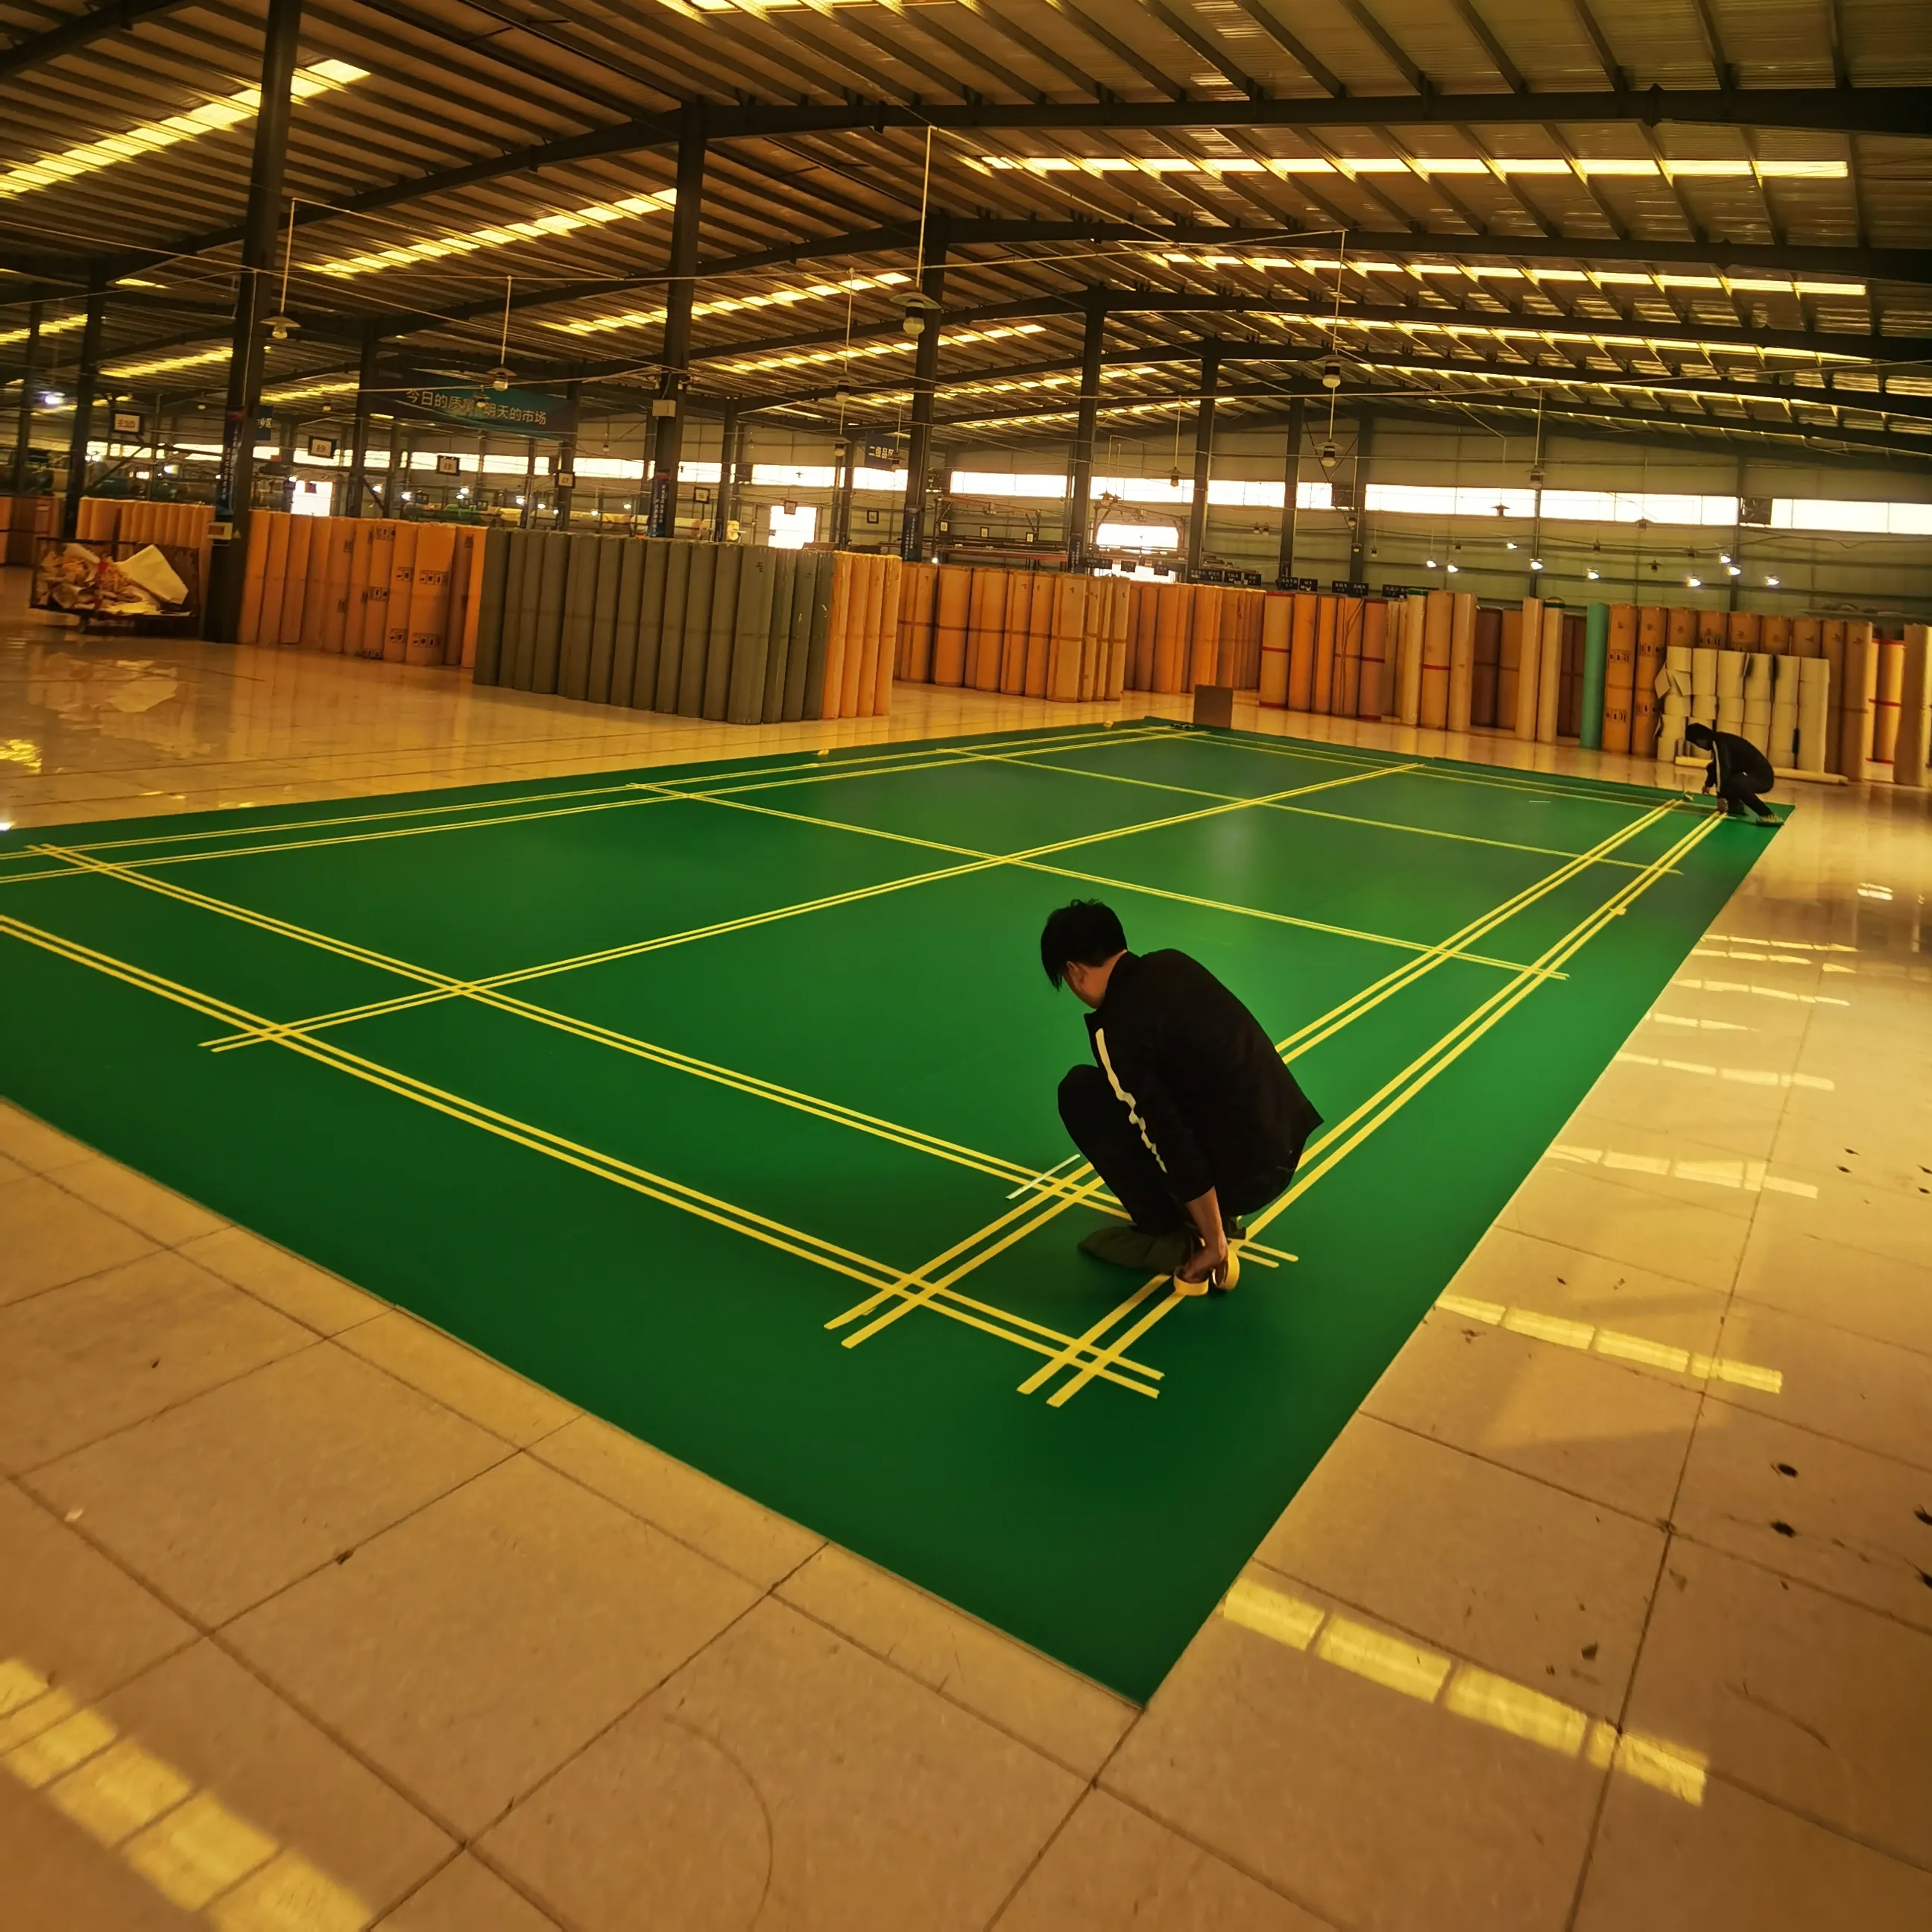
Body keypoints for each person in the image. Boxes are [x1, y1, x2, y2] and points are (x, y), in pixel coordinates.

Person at [1041, 900, 1321, 1295]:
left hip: (1243, 1178)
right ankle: (1217, 1209)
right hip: (1282, 1145)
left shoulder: (1117, 1028)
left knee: (1081, 1092)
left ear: (1073, 971)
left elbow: (1166, 1135)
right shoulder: (1173, 964)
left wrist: (1214, 1243)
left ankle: (1176, 1230)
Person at [1684, 721, 1777, 824]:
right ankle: (1735, 806)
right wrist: (1708, 784)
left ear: (1699, 740)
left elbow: (1723, 768)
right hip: (1752, 775)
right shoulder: (1720, 740)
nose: (1699, 746)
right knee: (1717, 771)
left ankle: (1768, 814)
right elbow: (1716, 767)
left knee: (1736, 782)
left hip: (1763, 778)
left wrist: (1721, 796)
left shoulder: (1719, 742)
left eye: (1696, 743)